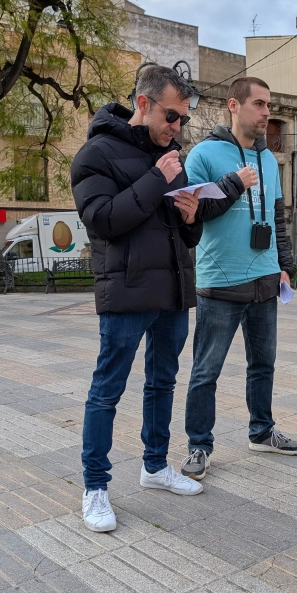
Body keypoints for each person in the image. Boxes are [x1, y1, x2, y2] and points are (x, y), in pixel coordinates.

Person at [71, 65, 205, 533]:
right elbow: (103, 220)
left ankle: (155, 466)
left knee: (162, 383)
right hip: (127, 292)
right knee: (107, 390)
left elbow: (184, 237)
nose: (177, 127)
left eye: (183, 119)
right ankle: (95, 487)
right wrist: (154, 179)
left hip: (172, 292)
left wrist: (191, 218)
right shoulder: (95, 154)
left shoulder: (170, 157)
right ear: (143, 104)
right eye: (171, 116)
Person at [179, 76, 297, 481]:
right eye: (259, 104)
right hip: (220, 282)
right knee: (206, 370)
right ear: (234, 105)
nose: (267, 112)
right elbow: (194, 213)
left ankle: (262, 432)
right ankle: (199, 445)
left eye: (269, 105)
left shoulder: (268, 159)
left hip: (266, 280)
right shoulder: (203, 154)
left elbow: (278, 219)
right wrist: (235, 184)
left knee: (263, 364)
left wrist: (286, 265)